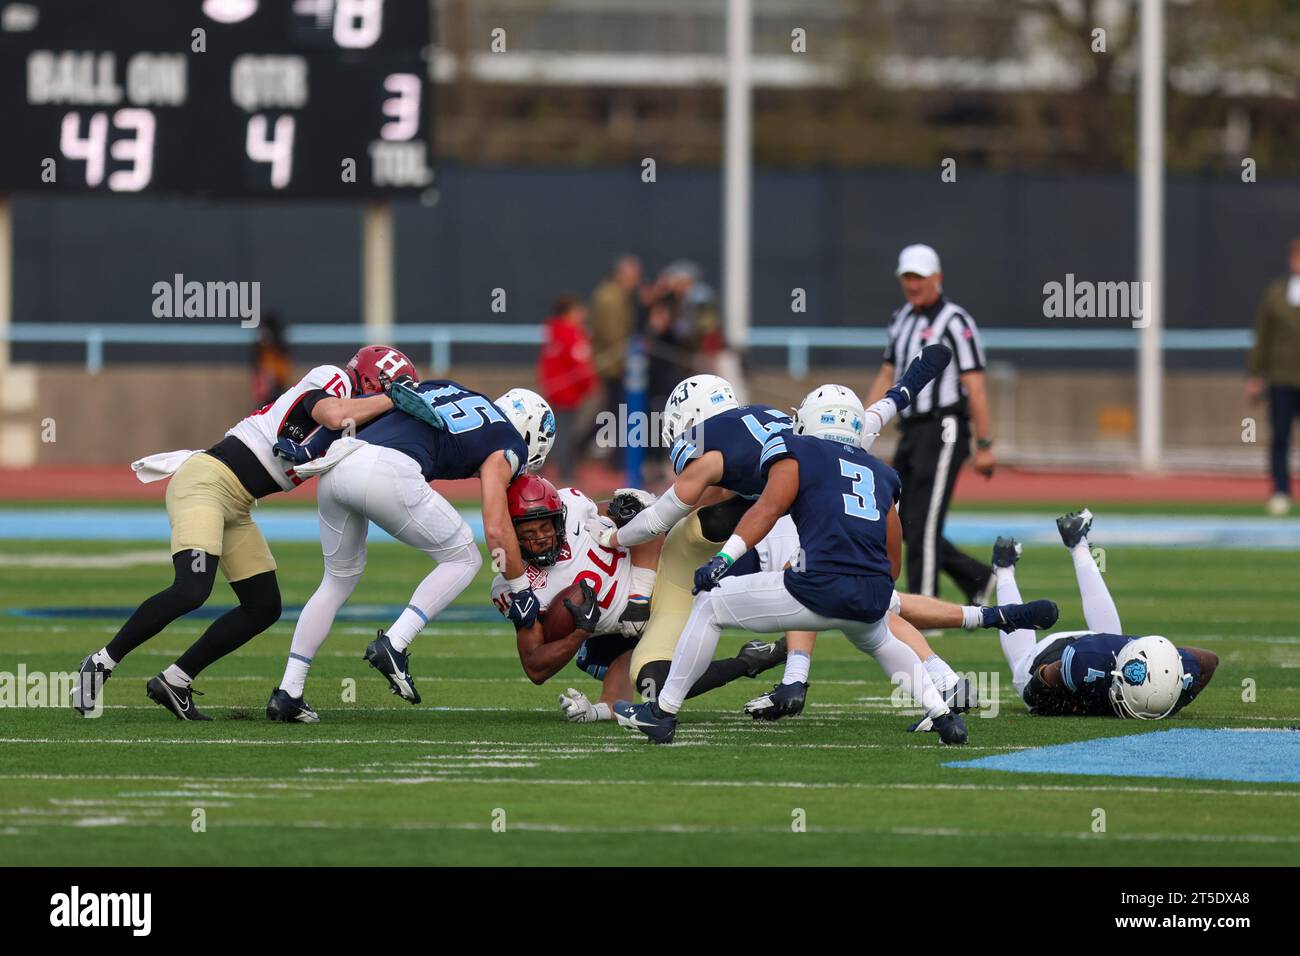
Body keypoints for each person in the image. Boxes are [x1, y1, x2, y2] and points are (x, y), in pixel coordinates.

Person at [594, 351, 1054, 721]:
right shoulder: (829, 441)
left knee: (744, 598)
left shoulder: (736, 446)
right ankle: (950, 678)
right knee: (883, 608)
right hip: (842, 542)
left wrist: (618, 540)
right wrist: (920, 373)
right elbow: (881, 410)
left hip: (782, 530)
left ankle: (672, 709)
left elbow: (678, 514)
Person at [73, 345, 413, 720]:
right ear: (370, 381)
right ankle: (101, 662)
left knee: (263, 606)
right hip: (207, 482)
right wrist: (391, 399)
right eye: (391, 390)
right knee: (191, 588)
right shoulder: (332, 379)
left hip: (237, 501)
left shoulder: (359, 414)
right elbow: (332, 414)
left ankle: (176, 680)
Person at [266, 379, 556, 721]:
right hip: (387, 471)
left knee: (336, 581)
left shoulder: (447, 386)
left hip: (337, 463)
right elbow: (495, 525)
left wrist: (310, 449)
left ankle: (289, 692)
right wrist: (521, 588)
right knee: (465, 557)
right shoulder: (507, 441)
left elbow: (366, 409)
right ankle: (394, 644)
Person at [490, 476, 784, 723]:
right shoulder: (514, 587)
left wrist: (638, 597)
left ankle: (780, 495)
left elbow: (644, 523)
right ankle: (749, 660)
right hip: (659, 618)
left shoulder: (575, 507)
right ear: (511, 537)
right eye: (528, 533)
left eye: (545, 527)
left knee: (707, 521)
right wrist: (580, 634)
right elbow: (535, 668)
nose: (541, 538)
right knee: (654, 685)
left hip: (670, 566)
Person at [990, 509, 1218, 720]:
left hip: (1104, 648)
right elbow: (1035, 693)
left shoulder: (1172, 665)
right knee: (1022, 668)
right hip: (1053, 659)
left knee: (1109, 634)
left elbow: (1209, 661)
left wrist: (1178, 700)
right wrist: (1071, 707)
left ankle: (1077, 542)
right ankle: (1003, 567)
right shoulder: (1082, 664)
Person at [865, 243, 994, 605]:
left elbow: (976, 385)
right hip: (911, 429)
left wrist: (984, 445)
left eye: (919, 276)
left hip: (946, 427)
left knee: (923, 523)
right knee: (902, 519)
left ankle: (925, 608)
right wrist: (861, 422)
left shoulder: (955, 320)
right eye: (907, 276)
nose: (912, 284)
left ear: (936, 278)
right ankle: (977, 578)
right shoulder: (900, 319)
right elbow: (887, 372)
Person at [1246, 238, 1300, 516]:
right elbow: (1262, 336)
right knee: (1280, 436)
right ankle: (1280, 490)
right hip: (1281, 378)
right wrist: (1255, 374)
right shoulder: (1276, 293)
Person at [538, 294, 599, 484]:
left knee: (554, 430)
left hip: (555, 389)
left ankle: (544, 466)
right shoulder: (572, 333)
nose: (582, 313)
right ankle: (565, 472)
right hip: (569, 392)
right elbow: (580, 363)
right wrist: (590, 385)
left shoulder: (552, 332)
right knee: (566, 432)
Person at [589, 255, 642, 466]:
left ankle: (615, 457)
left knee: (613, 410)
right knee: (614, 410)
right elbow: (613, 333)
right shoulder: (612, 297)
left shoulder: (617, 294)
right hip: (613, 364)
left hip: (615, 362)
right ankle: (586, 449)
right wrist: (625, 356)